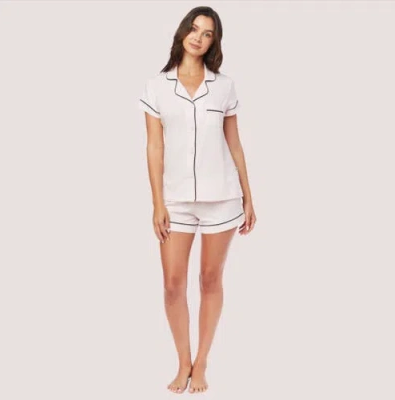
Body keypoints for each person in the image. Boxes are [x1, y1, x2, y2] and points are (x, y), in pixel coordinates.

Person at [138, 6, 256, 394]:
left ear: (213, 42)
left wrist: (249, 196)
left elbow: (234, 144)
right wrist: (158, 203)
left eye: (207, 33)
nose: (198, 37)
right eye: (194, 29)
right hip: (175, 200)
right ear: (182, 32)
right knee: (173, 283)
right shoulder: (157, 86)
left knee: (210, 279)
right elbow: (154, 147)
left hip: (222, 197)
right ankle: (183, 361)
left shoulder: (224, 86)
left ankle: (201, 362)